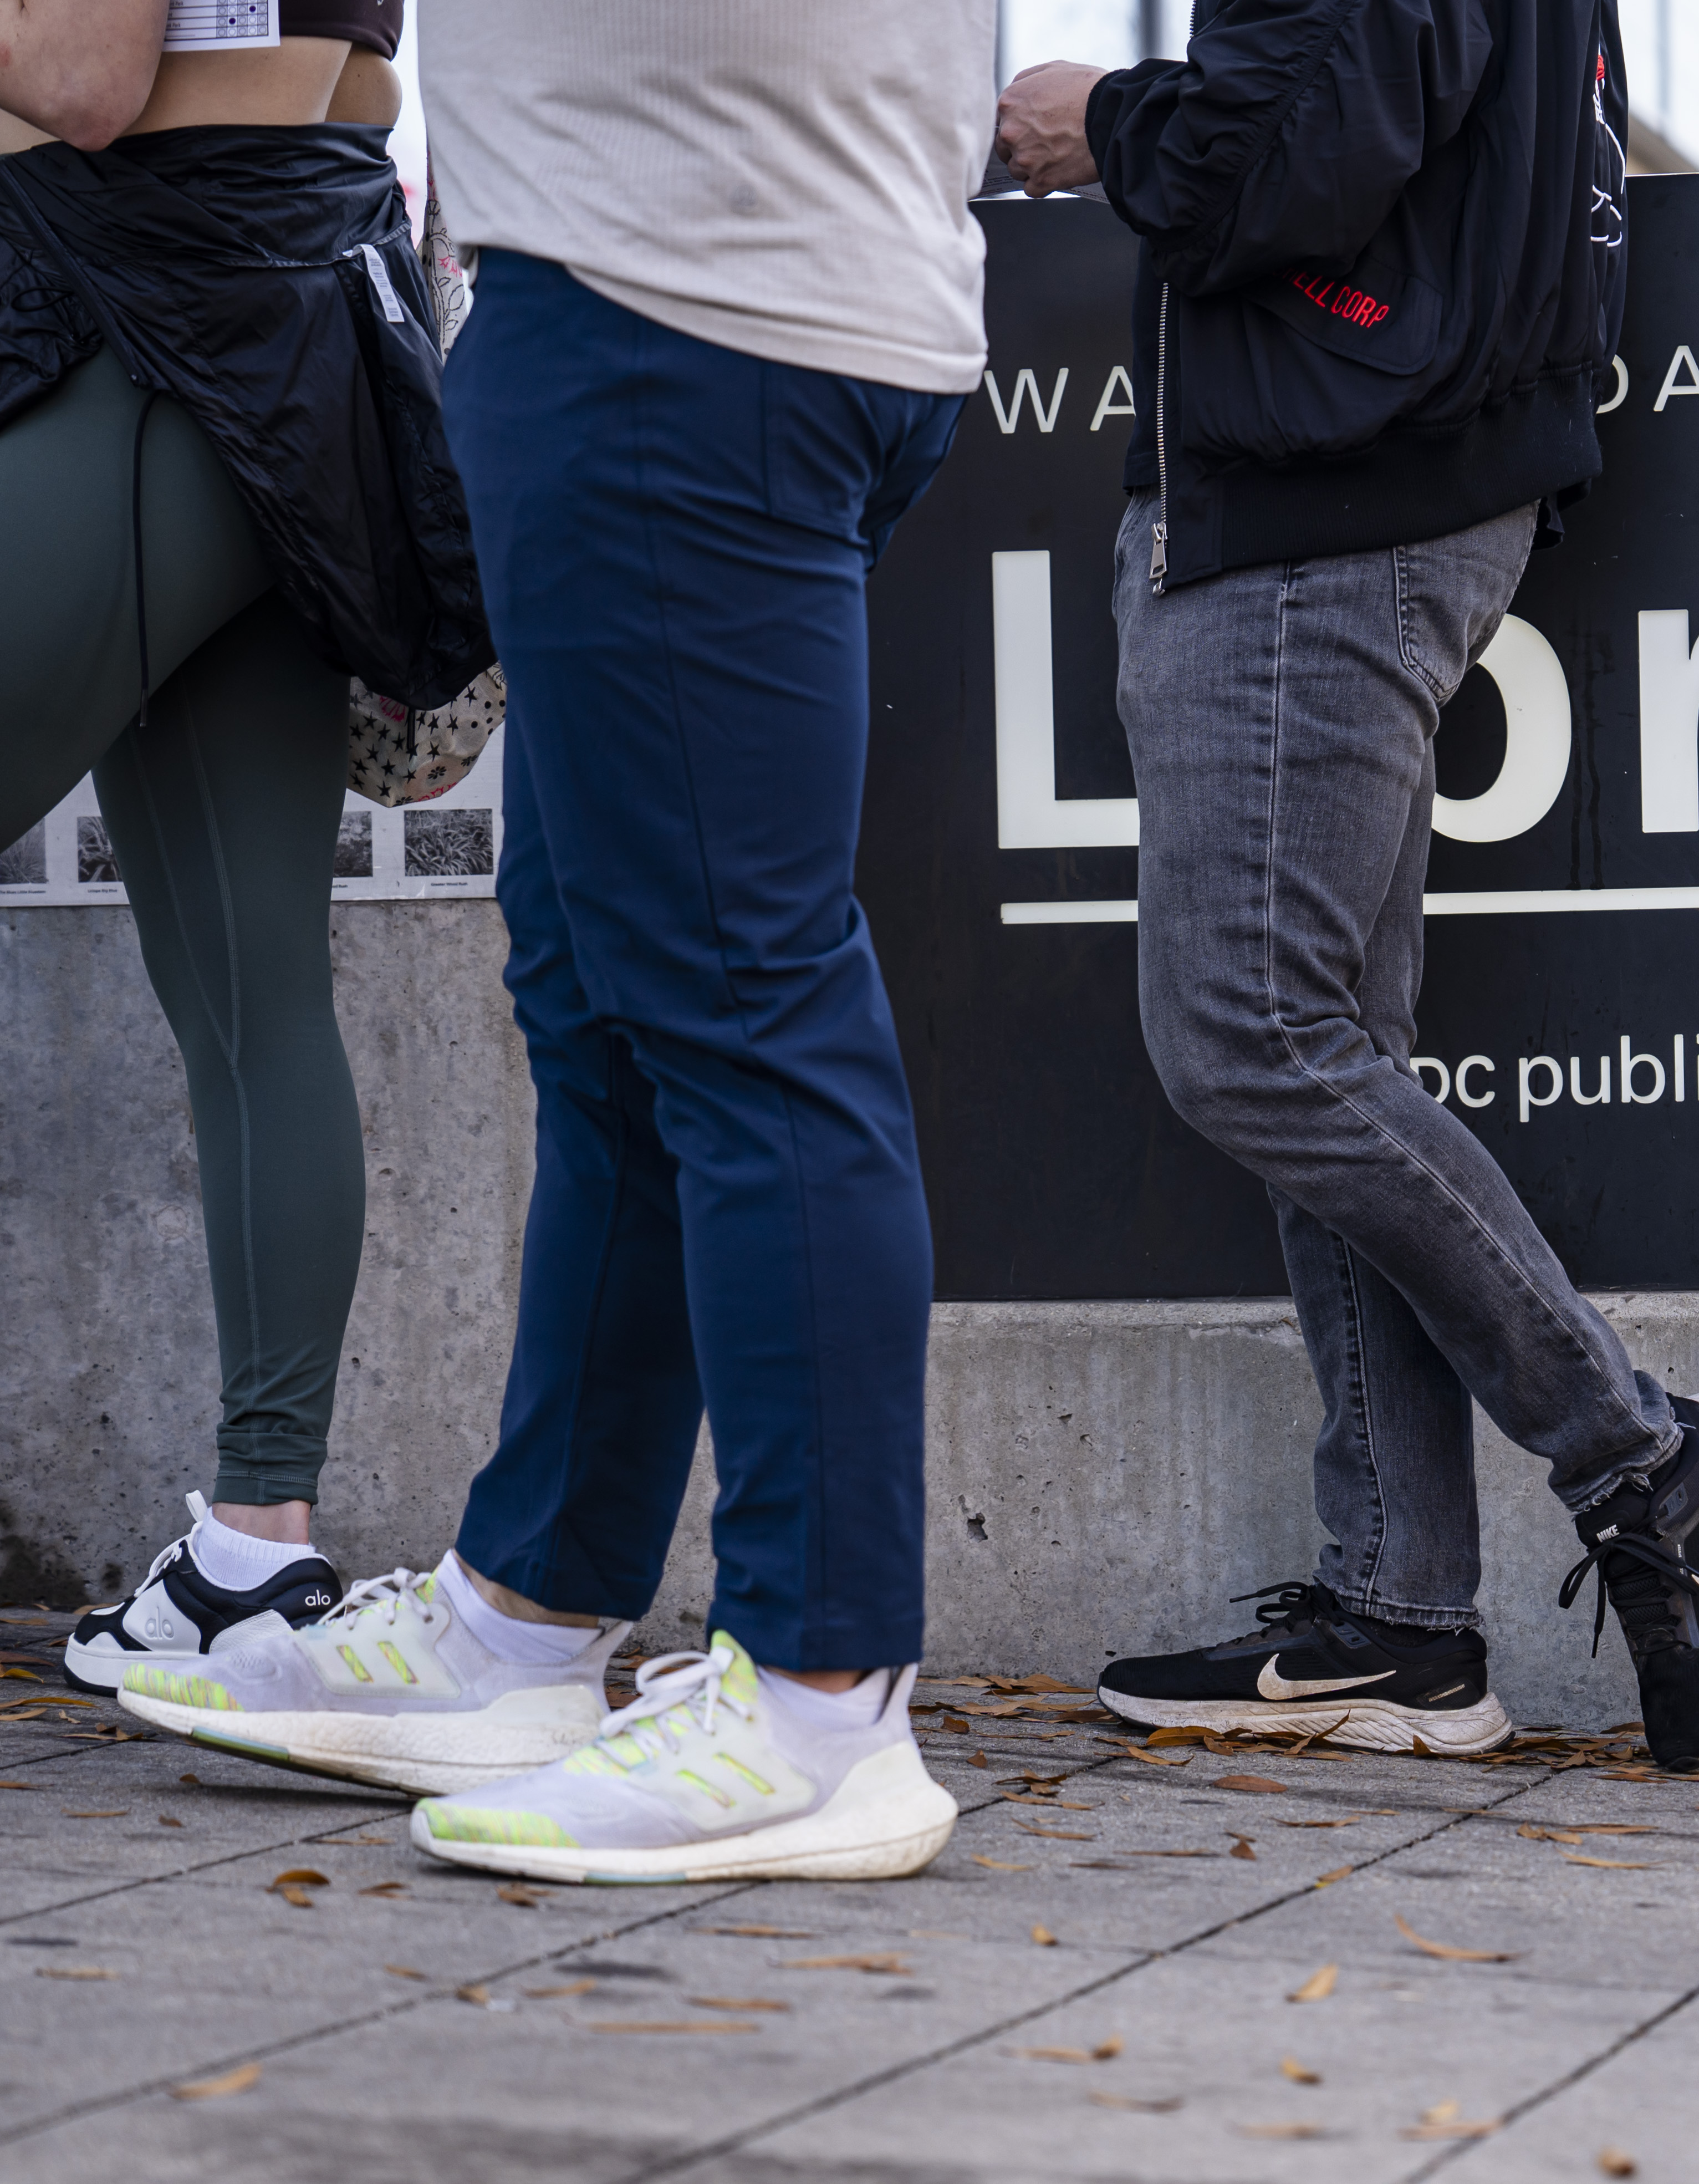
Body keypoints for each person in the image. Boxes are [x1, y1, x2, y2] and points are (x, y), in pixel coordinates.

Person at [113, 1, 998, 1886]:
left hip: (684, 302)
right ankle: (527, 1621)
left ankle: (825, 1700)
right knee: (613, 1007)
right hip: (704, 276)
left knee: (741, 1002)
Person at [992, 2, 1699, 1771]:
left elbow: (1285, 155)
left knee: (1251, 1037)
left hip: (1316, 498)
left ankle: (1642, 1456)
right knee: (1327, 1049)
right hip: (1373, 475)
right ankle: (1404, 1615)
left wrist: (1100, 121)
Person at [2, 3, 482, 1691]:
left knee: (249, 985)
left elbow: (80, 74)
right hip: (282, 316)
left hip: (141, 315)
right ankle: (249, 1566)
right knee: (247, 981)